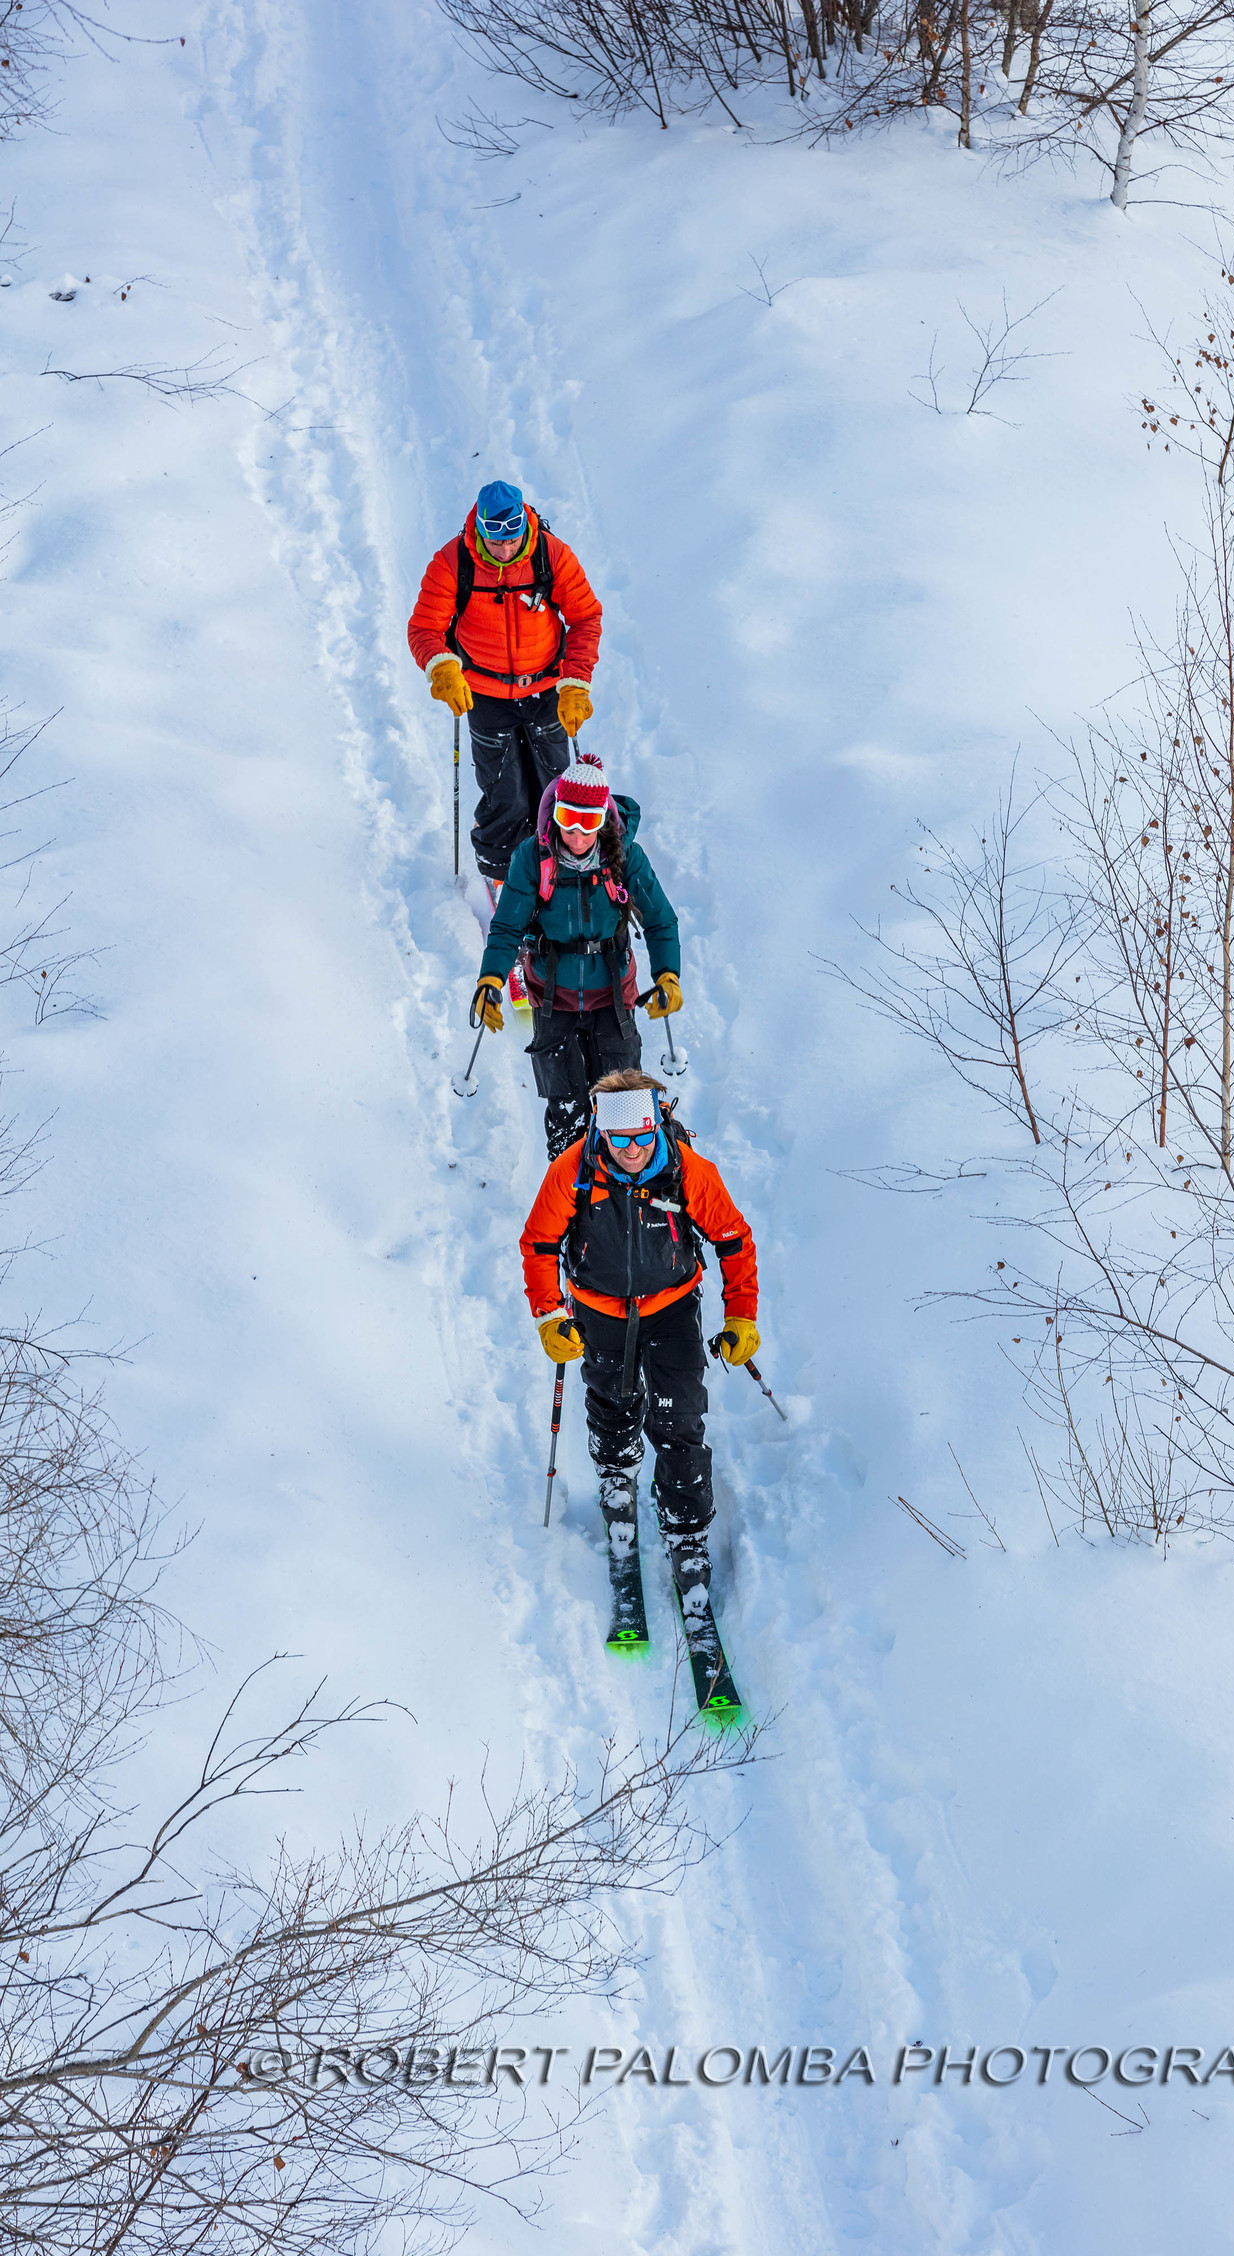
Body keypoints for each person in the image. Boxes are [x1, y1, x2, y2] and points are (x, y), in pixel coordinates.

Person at [519, 1069, 760, 1601]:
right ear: (602, 1131)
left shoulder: (687, 1171)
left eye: (643, 1137)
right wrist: (549, 1315)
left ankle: (687, 1535)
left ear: (656, 1125)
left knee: (680, 1419)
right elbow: (539, 1243)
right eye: (620, 1139)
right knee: (612, 1400)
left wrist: (741, 1315)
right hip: (599, 1309)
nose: (632, 1149)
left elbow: (734, 1240)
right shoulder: (573, 1171)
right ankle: (616, 1477)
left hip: (672, 1308)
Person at [470, 753, 684, 1160]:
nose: (578, 836)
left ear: (603, 820)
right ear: (555, 812)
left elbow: (660, 920)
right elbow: (507, 927)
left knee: (624, 1105)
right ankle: (571, 1191)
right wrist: (490, 978)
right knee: (566, 1110)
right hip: (553, 997)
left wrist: (667, 974)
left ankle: (626, 1186)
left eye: (589, 823)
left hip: (613, 996)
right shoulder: (533, 857)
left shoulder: (625, 857)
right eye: (569, 820)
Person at [408, 478, 603, 879]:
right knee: (504, 792)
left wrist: (575, 683)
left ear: (523, 526)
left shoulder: (551, 555)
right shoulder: (453, 561)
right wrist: (442, 667)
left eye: (512, 541)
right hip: (484, 693)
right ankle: (503, 871)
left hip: (546, 690)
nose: (504, 550)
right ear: (480, 529)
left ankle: (558, 861)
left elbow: (585, 617)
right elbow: (424, 627)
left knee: (553, 783)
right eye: (495, 542)